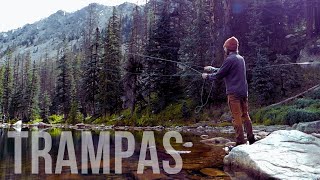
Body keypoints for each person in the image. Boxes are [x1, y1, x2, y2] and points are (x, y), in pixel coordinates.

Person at [202, 36, 255, 146]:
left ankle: (240, 142)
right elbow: (224, 70)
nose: (224, 49)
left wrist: (207, 76)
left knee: (236, 117)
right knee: (245, 115)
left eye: (225, 47)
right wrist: (212, 69)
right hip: (244, 92)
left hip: (234, 94)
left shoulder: (229, 59)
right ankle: (251, 138)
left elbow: (220, 75)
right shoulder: (240, 58)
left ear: (228, 48)